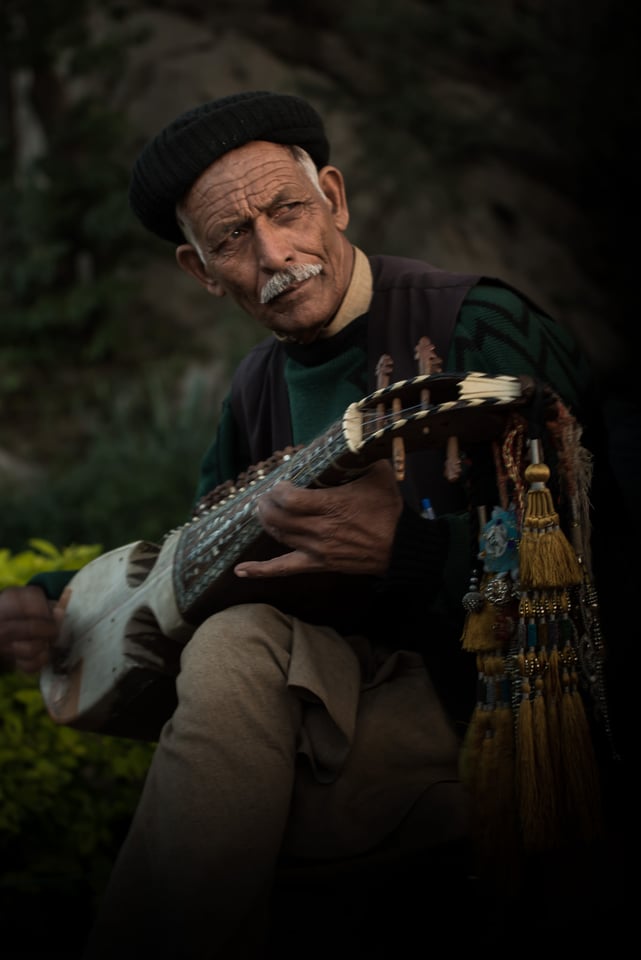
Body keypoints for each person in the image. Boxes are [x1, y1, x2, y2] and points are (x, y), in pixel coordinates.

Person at [0, 90, 627, 958]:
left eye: (286, 210)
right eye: (231, 239)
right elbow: (204, 552)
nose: (273, 253)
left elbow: (608, 560)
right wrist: (55, 603)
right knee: (233, 639)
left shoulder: (479, 323)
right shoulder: (255, 388)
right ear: (199, 269)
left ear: (332, 196)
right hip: (348, 700)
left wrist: (410, 551)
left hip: (500, 702)